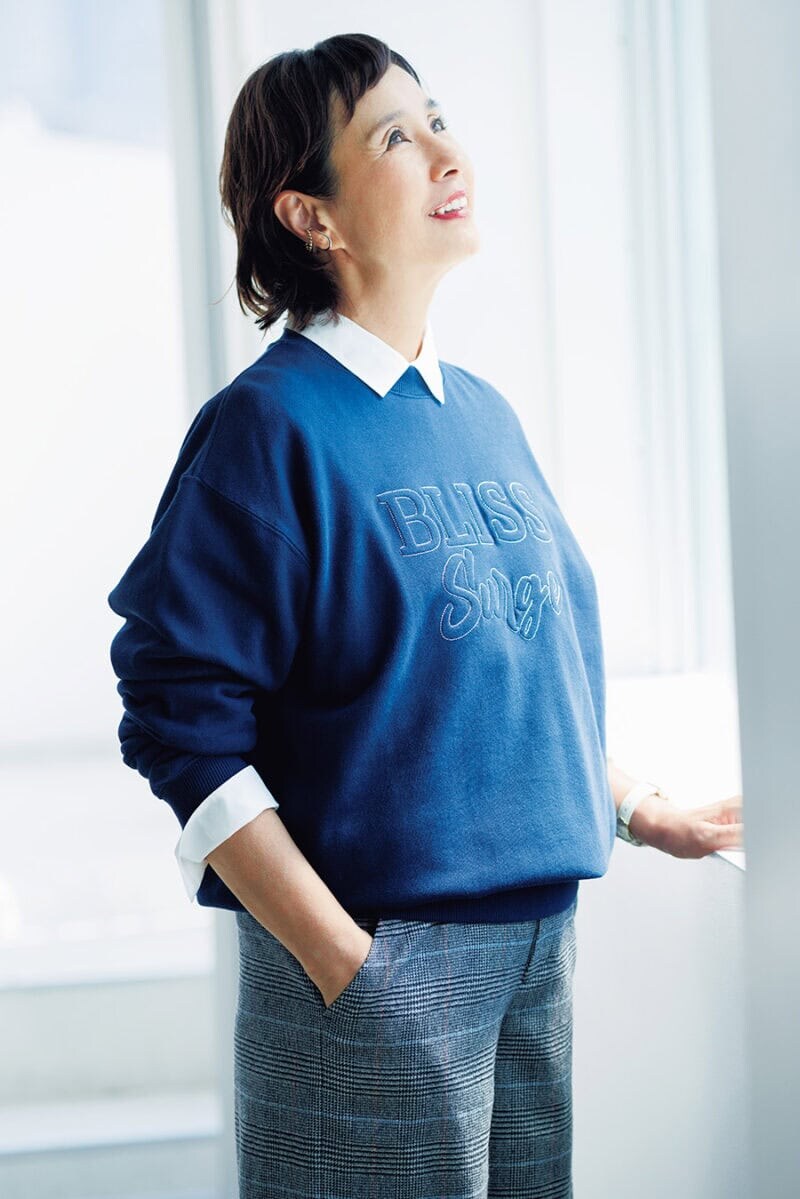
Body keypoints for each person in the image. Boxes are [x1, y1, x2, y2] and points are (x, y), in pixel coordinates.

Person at [106, 32, 744, 1199]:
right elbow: (174, 716)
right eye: (396, 137)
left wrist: (637, 808)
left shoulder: (482, 414)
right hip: (375, 964)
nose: (447, 152)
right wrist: (341, 960)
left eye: (437, 118)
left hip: (538, 952)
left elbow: (494, 680)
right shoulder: (268, 429)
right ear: (311, 216)